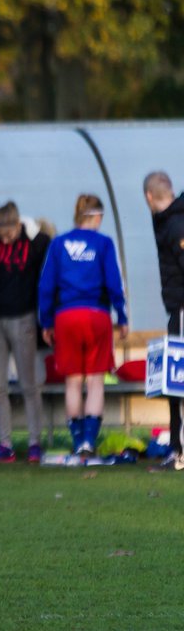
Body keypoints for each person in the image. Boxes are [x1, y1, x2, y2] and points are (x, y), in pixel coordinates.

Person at [38, 194, 128, 456]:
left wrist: (46, 321)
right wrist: (121, 316)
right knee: (96, 381)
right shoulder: (103, 243)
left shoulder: (58, 244)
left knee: (73, 382)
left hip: (66, 317)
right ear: (97, 216)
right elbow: (113, 283)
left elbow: (46, 286)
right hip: (96, 316)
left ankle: (77, 442)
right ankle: (89, 441)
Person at [0, 203, 51, 464]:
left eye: (9, 235)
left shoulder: (36, 242)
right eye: (1, 236)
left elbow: (48, 253)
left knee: (29, 384)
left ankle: (35, 442)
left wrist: (34, 231)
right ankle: (5, 443)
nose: (5, 240)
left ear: (18, 226)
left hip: (25, 319)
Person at [145, 170, 184, 469]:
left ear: (149, 196)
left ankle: (179, 451)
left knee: (179, 381)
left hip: (182, 309)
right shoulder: (170, 220)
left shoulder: (174, 224)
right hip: (177, 308)